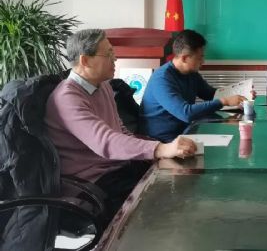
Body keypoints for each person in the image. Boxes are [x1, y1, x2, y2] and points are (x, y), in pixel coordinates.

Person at [45, 29, 197, 222]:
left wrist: (159, 148)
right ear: (85, 60)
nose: (115, 58)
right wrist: (159, 148)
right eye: (108, 54)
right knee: (160, 202)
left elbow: (120, 131)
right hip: (90, 184)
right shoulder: (67, 97)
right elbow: (106, 142)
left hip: (117, 168)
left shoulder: (103, 86)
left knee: (175, 179)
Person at [140, 29, 245, 142]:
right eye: (200, 58)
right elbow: (186, 113)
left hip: (184, 132)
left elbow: (211, 94)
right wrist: (224, 101)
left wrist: (241, 93)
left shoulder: (191, 74)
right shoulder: (162, 79)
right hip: (160, 141)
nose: (203, 61)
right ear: (185, 58)